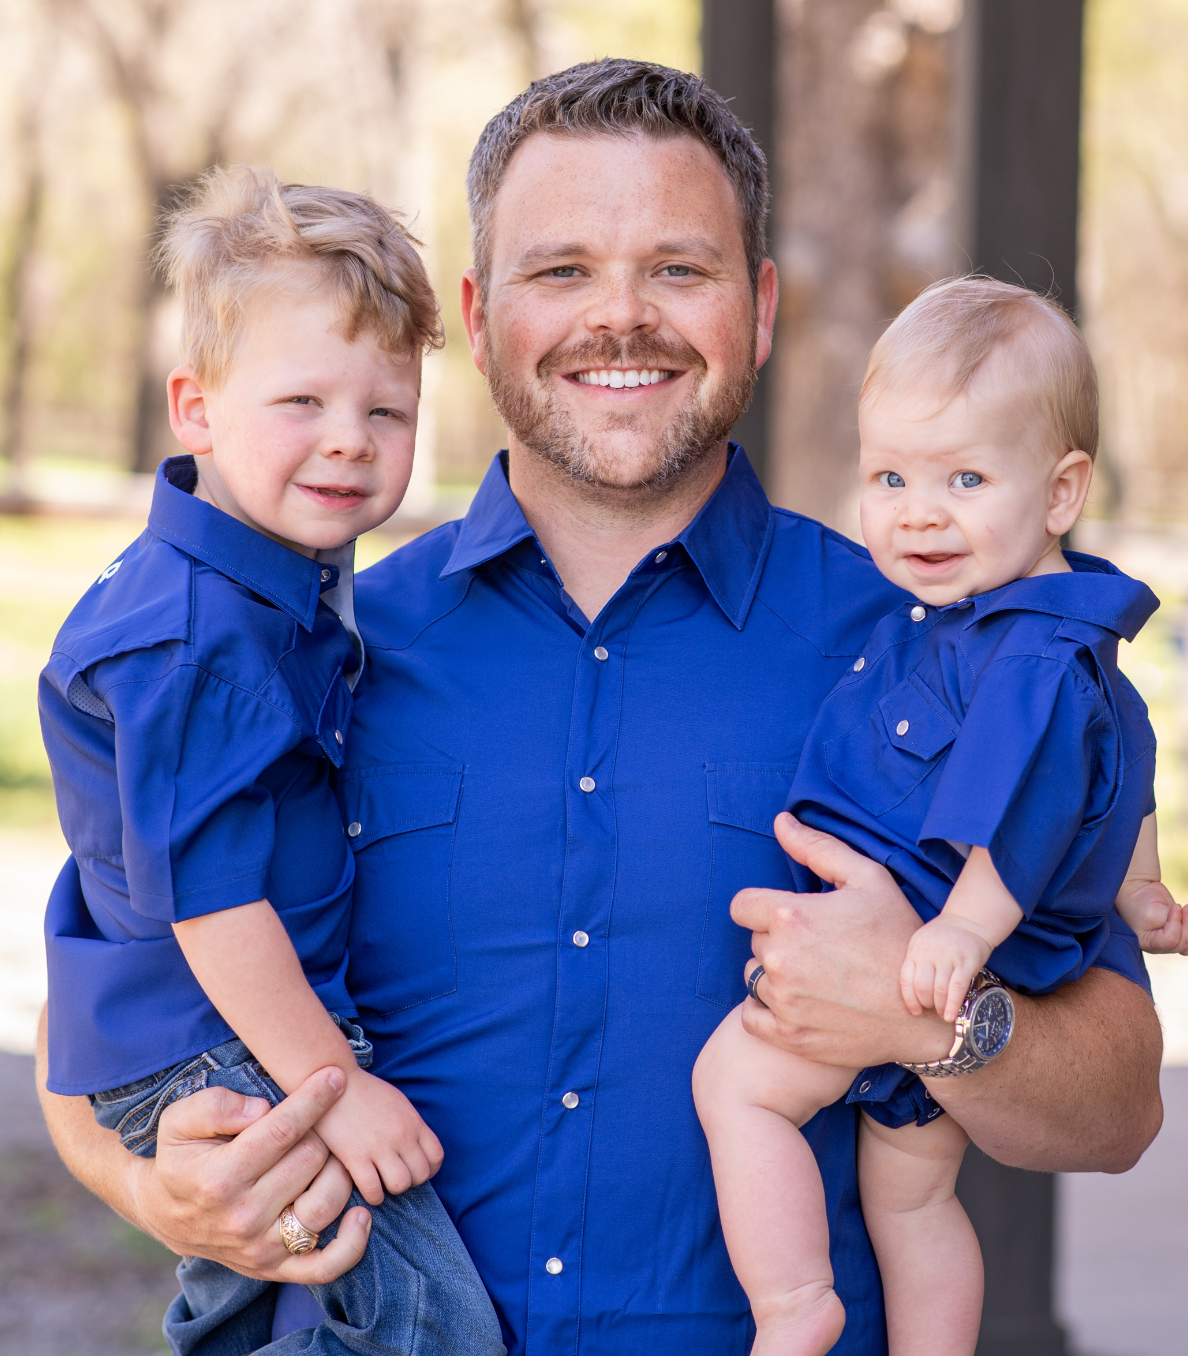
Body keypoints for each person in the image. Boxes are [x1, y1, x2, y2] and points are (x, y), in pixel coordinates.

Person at [36, 61, 1164, 1356]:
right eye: (560, 270)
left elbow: (1122, 1102)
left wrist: (933, 1017)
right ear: (476, 309)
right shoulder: (305, 649)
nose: (618, 318)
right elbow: (97, 1008)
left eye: (678, 269)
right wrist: (155, 1185)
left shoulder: (931, 648)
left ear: (762, 304)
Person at [37, 166, 504, 1356]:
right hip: (222, 1038)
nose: (349, 442)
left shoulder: (260, 591)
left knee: (289, 1310)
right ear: (196, 408)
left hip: (227, 1025)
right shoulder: (204, 639)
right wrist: (340, 1093)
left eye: (386, 413)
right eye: (301, 401)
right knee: (430, 1320)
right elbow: (212, 904)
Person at [693, 277, 1187, 1355]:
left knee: (734, 1082)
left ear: (1060, 494)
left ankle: (791, 1306)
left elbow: (1018, 805)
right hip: (948, 955)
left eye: (965, 477)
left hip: (926, 950)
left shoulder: (1026, 660)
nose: (920, 511)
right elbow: (1130, 762)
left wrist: (959, 935)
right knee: (912, 1201)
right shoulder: (1059, 642)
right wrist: (1140, 889)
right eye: (890, 476)